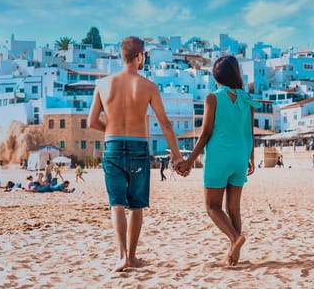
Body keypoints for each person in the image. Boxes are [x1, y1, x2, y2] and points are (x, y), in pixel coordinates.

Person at [87, 36, 186, 272]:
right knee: (136, 207)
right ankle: (132, 255)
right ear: (140, 56)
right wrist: (177, 156)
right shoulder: (148, 86)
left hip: (112, 146)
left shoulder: (102, 85)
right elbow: (165, 124)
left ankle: (122, 257)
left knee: (117, 205)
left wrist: (110, 130)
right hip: (139, 147)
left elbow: (92, 122)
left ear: (122, 56)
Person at [178, 55, 260, 267]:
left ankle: (235, 239)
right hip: (240, 157)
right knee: (234, 209)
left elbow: (206, 133)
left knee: (212, 206)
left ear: (217, 75)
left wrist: (189, 161)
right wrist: (251, 158)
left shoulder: (212, 98)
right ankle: (233, 256)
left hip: (219, 158)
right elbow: (250, 132)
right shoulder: (246, 99)